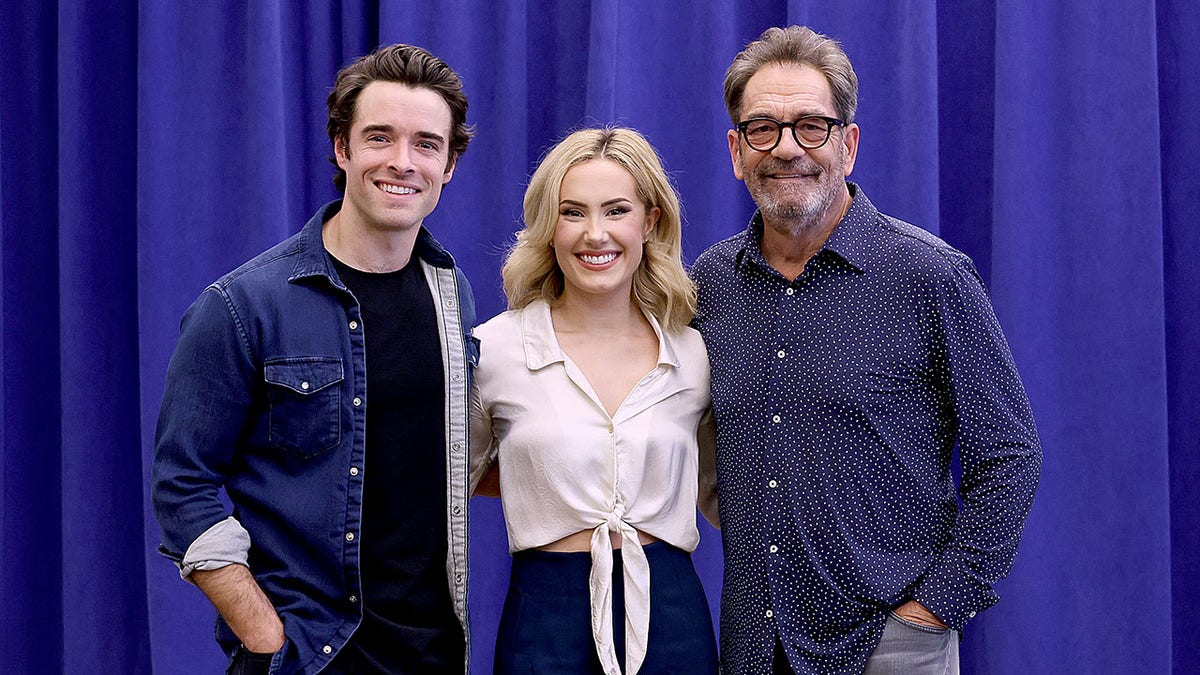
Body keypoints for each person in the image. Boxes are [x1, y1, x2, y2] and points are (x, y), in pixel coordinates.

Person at [690, 26, 1043, 675]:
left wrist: (931, 611)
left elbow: (1010, 454)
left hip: (888, 650)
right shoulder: (710, 283)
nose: (787, 148)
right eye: (763, 128)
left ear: (848, 146)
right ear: (737, 151)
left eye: (811, 127)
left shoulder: (930, 277)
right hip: (751, 651)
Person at [151, 44, 478, 674]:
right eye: (379, 137)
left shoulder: (451, 292)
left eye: (426, 144)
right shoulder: (243, 305)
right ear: (342, 149)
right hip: (311, 656)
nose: (401, 162)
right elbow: (181, 483)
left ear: (450, 163)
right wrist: (264, 636)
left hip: (436, 652)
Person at [469, 127, 719, 675]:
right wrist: (536, 478)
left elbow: (720, 490)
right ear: (548, 228)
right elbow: (452, 484)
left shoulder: (694, 351)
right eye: (573, 212)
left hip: (672, 619)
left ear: (649, 222)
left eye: (616, 210)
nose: (595, 234)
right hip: (544, 620)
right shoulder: (495, 349)